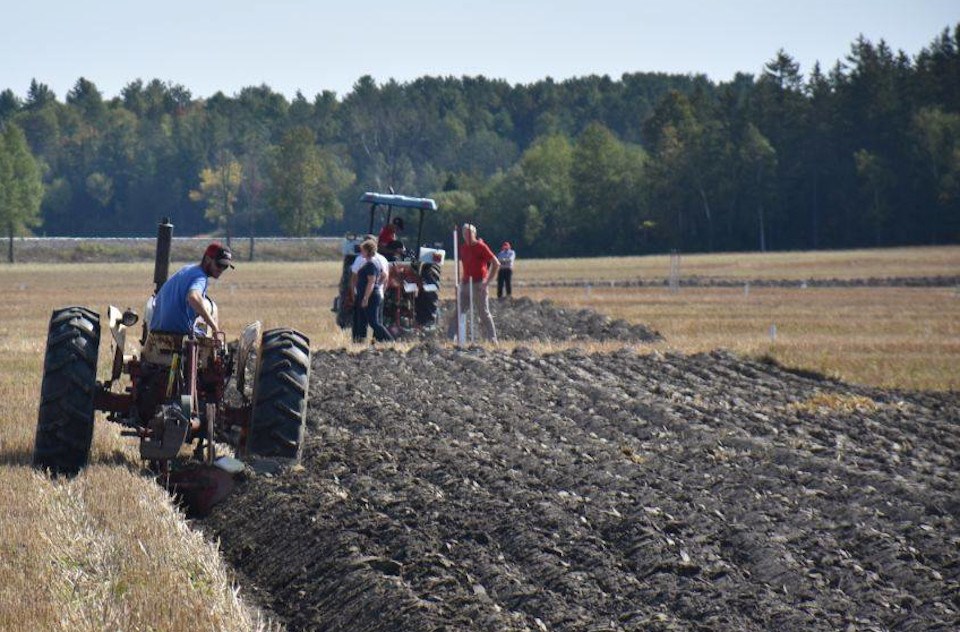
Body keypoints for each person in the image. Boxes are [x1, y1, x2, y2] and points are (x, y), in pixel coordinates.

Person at [149, 242, 233, 336]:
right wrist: (214, 327)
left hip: (155, 333)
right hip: (178, 334)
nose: (221, 270)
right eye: (219, 264)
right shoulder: (200, 277)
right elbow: (193, 297)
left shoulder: (187, 270)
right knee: (208, 336)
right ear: (208, 259)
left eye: (225, 267)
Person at [449, 223, 499, 343]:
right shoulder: (463, 248)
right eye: (465, 234)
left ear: (474, 234)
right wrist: (460, 284)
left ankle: (492, 339)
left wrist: (486, 283)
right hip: (465, 284)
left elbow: (496, 263)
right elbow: (466, 267)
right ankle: (450, 339)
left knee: (483, 313)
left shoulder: (481, 247)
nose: (467, 236)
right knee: (458, 312)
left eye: (469, 233)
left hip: (478, 285)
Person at [350, 236, 390, 342]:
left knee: (368, 321)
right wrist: (381, 288)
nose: (361, 251)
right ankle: (379, 341)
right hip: (377, 293)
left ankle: (389, 340)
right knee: (375, 320)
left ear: (367, 250)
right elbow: (385, 276)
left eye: (362, 249)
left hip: (369, 294)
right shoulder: (382, 259)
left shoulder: (369, 263)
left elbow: (370, 281)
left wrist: (364, 297)